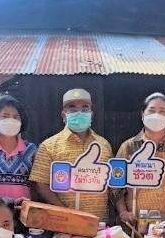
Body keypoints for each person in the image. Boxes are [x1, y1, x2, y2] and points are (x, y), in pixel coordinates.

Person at [30, 88, 114, 223]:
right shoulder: (48, 146)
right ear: (63, 115)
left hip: (99, 224)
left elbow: (112, 184)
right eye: (72, 108)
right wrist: (67, 213)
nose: (79, 112)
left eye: (85, 108)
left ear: (91, 115)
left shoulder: (104, 145)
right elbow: (41, 185)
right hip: (64, 224)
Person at [113, 93, 165, 226]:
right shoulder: (128, 147)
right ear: (142, 115)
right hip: (135, 225)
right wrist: (123, 212)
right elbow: (116, 187)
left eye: (162, 111)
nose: (156, 115)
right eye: (151, 111)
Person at [0, 94, 37, 201]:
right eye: (5, 116)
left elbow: (36, 186)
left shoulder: (31, 150)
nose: (11, 120)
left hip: (22, 209)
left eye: (16, 117)